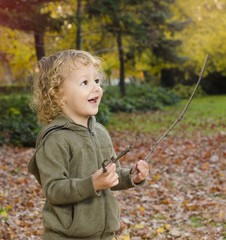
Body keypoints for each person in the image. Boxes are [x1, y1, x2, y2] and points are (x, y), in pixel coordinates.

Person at [28, 49, 149, 240]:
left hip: (105, 235)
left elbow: (111, 175)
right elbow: (53, 190)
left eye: (97, 81)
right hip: (67, 236)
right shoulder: (55, 138)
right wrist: (91, 184)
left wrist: (131, 176)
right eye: (85, 82)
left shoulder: (100, 132)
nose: (96, 88)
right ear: (58, 95)